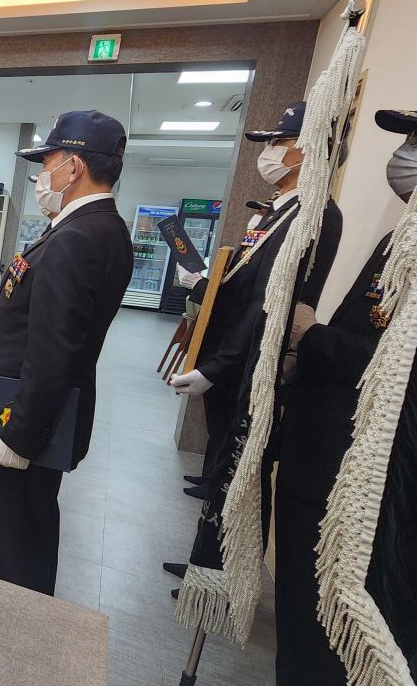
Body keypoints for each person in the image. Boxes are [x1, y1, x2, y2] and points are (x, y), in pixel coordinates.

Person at [269, 109, 417, 685]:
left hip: (357, 480)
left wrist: (313, 337)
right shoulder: (400, 237)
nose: (404, 156)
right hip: (323, 456)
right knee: (302, 616)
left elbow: (396, 366)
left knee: (323, 636)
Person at [0, 110, 134, 595]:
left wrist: (18, 437)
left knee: (16, 545)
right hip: (46, 418)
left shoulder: (77, 238)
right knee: (33, 528)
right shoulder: (101, 227)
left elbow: (53, 351)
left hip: (30, 425)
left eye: (48, 162)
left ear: (74, 166)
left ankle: (19, 626)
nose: (43, 175)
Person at [170, 102, 343, 498]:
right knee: (221, 435)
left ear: (312, 147)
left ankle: (214, 525)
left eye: (280, 142)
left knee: (236, 460)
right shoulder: (282, 211)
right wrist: (202, 285)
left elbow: (267, 302)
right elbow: (242, 283)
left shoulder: (313, 214)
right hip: (234, 350)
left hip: (251, 358)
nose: (269, 152)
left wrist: (218, 365)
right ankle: (211, 493)